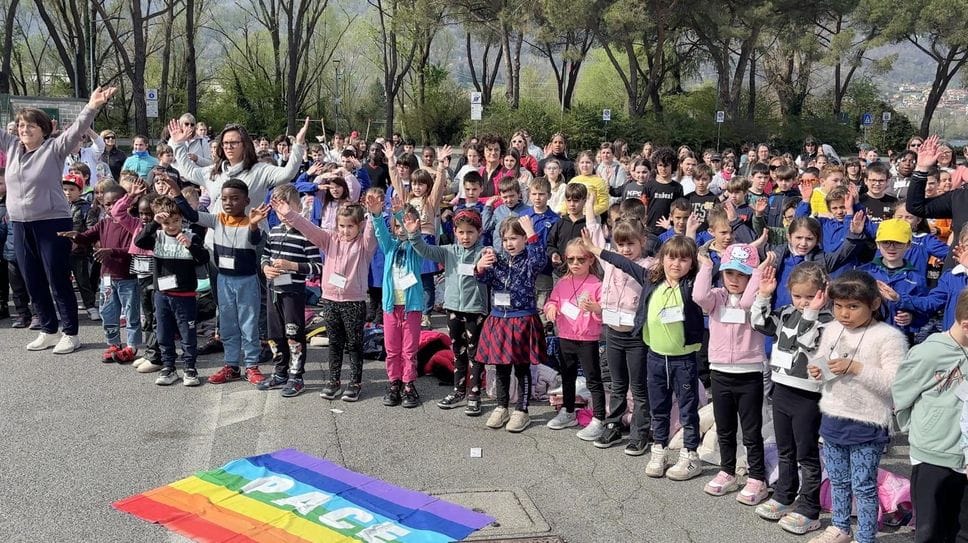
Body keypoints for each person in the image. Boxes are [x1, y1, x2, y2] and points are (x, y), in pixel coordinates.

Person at [3, 85, 117, 353]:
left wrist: (92, 106)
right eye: (21, 126)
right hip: (20, 224)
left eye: (31, 126)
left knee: (57, 277)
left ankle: (70, 332)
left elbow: (77, 128)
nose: (24, 130)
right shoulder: (10, 148)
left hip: (52, 222)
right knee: (32, 278)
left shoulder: (54, 149)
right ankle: (48, 329)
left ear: (43, 129)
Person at [806, 271, 907, 543]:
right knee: (838, 480)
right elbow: (820, 362)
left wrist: (857, 368)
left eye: (853, 306)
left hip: (867, 423)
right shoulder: (832, 329)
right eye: (838, 306)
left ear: (873, 304)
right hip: (833, 417)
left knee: (863, 485)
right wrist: (817, 370)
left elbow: (895, 383)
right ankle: (840, 527)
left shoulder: (889, 337)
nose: (844, 313)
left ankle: (865, 536)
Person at [594, 236, 705, 481]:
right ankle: (659, 449)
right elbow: (624, 263)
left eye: (683, 259)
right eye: (671, 257)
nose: (676, 264)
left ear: (691, 264)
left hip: (683, 361)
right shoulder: (651, 279)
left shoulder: (692, 286)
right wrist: (596, 250)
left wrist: (704, 261)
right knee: (659, 408)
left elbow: (706, 282)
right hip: (655, 357)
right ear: (662, 258)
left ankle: (689, 455)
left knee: (688, 410)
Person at [751, 262, 832, 535]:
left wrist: (812, 311)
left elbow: (806, 341)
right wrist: (763, 294)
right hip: (782, 389)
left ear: (823, 293)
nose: (802, 302)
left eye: (810, 296)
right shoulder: (785, 312)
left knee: (806, 454)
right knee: (785, 448)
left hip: (808, 395)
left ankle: (809, 508)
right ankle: (784, 495)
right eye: (798, 296)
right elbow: (759, 322)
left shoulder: (827, 320)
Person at [694, 245, 771, 505]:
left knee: (751, 431)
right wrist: (706, 266)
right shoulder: (716, 296)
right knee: (725, 428)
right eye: (729, 273)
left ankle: (757, 477)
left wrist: (759, 272)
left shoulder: (758, 297)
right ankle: (727, 471)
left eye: (741, 275)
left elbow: (749, 302)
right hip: (720, 372)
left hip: (748, 373)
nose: (734, 280)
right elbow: (698, 296)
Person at [175, 179, 269, 385]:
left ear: (247, 201)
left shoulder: (253, 222)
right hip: (224, 280)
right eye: (225, 198)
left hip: (246, 281)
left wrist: (253, 225)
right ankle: (231, 365)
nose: (229, 203)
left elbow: (255, 241)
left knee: (249, 324)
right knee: (227, 325)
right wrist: (176, 192)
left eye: (235, 199)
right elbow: (191, 215)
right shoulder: (216, 219)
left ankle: (252, 365)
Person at [893, 288, 968, 543]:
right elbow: (902, 394)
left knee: (962, 530)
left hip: (965, 457)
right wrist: (922, 430)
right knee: (930, 531)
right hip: (933, 455)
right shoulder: (929, 353)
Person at [582, 215, 655, 454]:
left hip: (636, 337)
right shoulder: (610, 263)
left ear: (642, 242)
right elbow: (593, 233)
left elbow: (624, 264)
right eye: (620, 245)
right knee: (617, 384)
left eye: (630, 244)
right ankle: (612, 425)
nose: (625, 250)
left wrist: (601, 251)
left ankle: (639, 433)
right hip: (613, 332)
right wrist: (591, 207)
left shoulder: (649, 267)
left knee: (638, 387)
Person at [409, 208, 487, 410]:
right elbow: (425, 250)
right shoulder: (449, 250)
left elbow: (491, 270)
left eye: (470, 232)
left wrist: (486, 263)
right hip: (453, 308)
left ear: (479, 232)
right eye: (461, 232)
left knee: (475, 354)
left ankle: (474, 394)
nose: (465, 236)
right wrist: (413, 234)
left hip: (475, 310)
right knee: (457, 352)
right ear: (455, 232)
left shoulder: (484, 252)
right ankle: (458, 391)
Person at [474, 215, 547, 431]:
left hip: (522, 319)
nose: (509, 244)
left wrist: (532, 233)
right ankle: (501, 406)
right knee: (501, 368)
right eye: (506, 239)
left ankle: (522, 410)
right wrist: (480, 267)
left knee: (522, 369)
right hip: (499, 319)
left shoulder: (529, 259)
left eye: (514, 238)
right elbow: (483, 280)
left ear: (524, 239)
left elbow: (540, 261)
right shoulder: (498, 259)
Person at [250, 185, 323, 398]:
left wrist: (292, 266)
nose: (281, 213)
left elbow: (317, 267)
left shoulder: (306, 233)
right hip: (274, 290)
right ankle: (280, 371)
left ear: (297, 207)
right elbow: (265, 255)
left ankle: (296, 376)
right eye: (277, 208)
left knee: (294, 334)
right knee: (275, 335)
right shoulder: (273, 231)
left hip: (293, 292)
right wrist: (265, 268)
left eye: (285, 207)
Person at [60, 184, 142, 363]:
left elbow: (134, 249)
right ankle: (113, 343)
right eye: (107, 204)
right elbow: (88, 236)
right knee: (108, 311)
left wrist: (111, 251)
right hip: (107, 277)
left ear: (126, 204)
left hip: (127, 277)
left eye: (115, 203)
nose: (110, 207)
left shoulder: (133, 224)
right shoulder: (104, 223)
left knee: (131, 313)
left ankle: (132, 346)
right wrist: (76, 235)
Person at [133, 195, 210, 386]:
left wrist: (191, 246)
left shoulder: (191, 236)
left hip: (185, 296)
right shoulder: (156, 236)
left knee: (187, 333)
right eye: (167, 222)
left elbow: (204, 258)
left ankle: (190, 367)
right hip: (162, 295)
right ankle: (168, 366)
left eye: (176, 221)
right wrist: (153, 223)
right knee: (163, 333)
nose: (172, 225)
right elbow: (139, 242)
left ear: (182, 219)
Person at [543, 239, 605, 441]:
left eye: (581, 258)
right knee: (567, 376)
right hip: (565, 335)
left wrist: (596, 310)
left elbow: (604, 311)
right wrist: (550, 308)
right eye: (571, 259)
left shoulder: (596, 284)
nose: (575, 263)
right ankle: (568, 411)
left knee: (593, 378)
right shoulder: (562, 283)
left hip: (588, 338)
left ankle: (599, 419)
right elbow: (552, 300)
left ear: (590, 260)